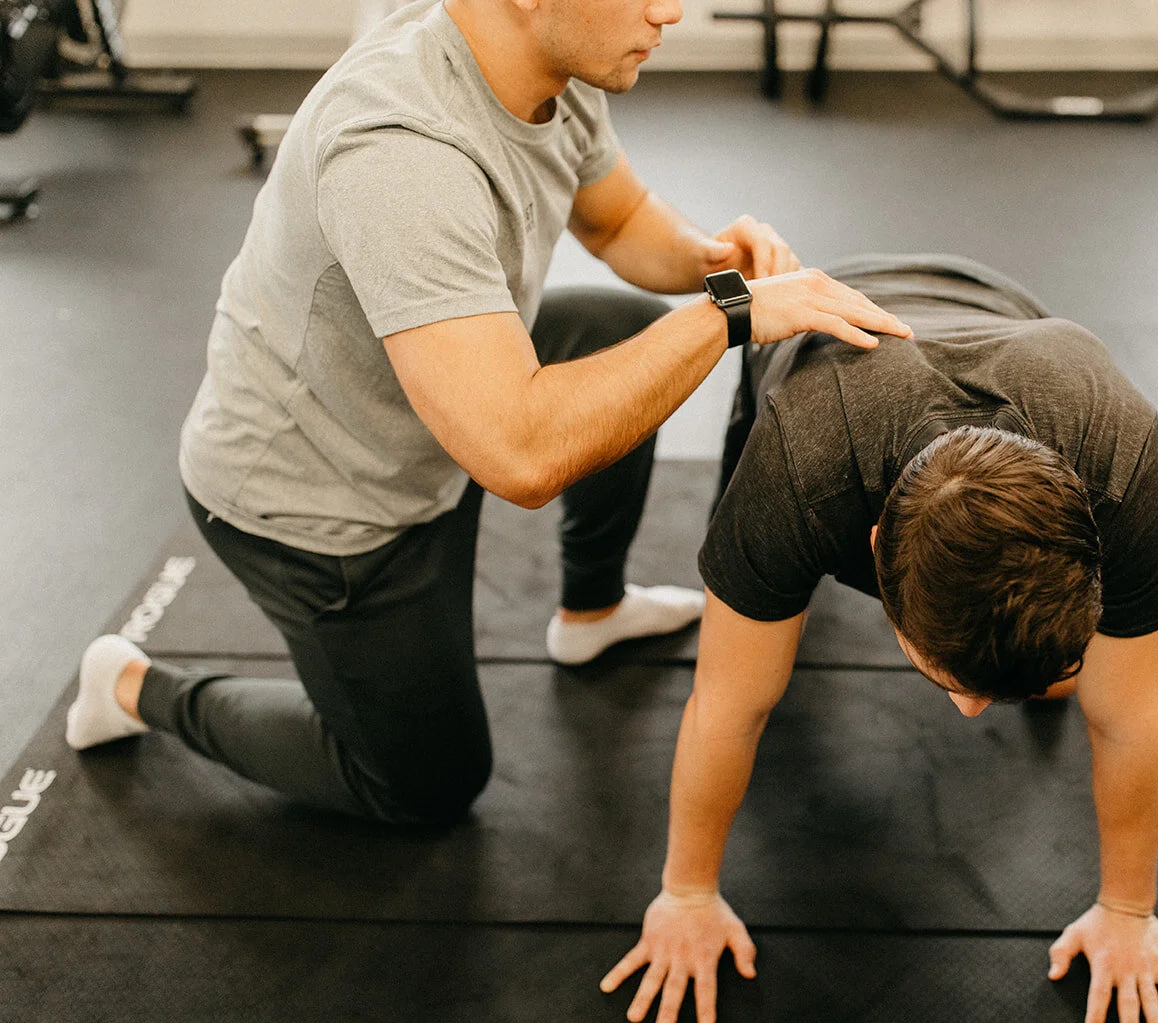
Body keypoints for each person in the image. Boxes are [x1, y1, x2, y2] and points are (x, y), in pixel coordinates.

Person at [60, 0, 910, 826]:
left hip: (432, 416)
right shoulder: (400, 152)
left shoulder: (552, 63)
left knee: (623, 336)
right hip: (324, 506)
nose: (671, 12)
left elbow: (616, 221)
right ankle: (134, 688)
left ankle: (591, 611)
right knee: (427, 784)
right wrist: (730, 315)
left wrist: (721, 270)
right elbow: (519, 455)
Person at [602, 255, 1158, 1023]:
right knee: (754, 639)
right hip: (817, 327)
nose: (968, 710)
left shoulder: (1119, 461)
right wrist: (684, 893)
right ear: (873, 545)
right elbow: (728, 704)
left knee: (1081, 686)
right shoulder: (801, 463)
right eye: (947, 678)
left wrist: (1129, 911)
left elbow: (1130, 718)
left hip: (998, 304)